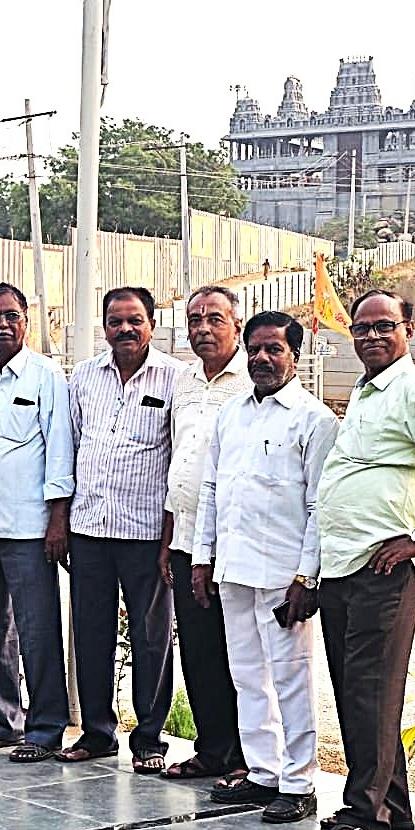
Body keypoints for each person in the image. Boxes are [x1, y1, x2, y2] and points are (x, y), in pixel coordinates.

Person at [309, 289, 415, 830]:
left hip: (383, 570)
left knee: (371, 692)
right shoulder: (364, 392)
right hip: (343, 566)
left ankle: (367, 819)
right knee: (358, 692)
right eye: (362, 328)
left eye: (384, 327)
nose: (372, 337)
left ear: (410, 330)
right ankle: (392, 805)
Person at [192, 311, 339, 824]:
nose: (261, 358)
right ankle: (262, 773)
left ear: (295, 356)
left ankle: (299, 784)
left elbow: (322, 506)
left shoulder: (314, 421)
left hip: (283, 576)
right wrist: (202, 557)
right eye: (254, 349)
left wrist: (307, 576)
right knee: (248, 676)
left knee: (291, 678)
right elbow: (211, 490)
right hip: (233, 570)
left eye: (273, 349)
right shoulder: (231, 415)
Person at [59, 286, 182, 773]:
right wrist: (62, 522)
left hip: (146, 534)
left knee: (152, 638)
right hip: (89, 527)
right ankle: (96, 732)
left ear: (151, 324)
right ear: (104, 326)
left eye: (135, 320)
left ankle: (149, 739)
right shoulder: (85, 376)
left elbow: (180, 460)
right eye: (115, 321)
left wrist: (170, 538)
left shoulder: (176, 379)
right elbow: (69, 449)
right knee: (90, 634)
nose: (125, 329)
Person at [0, 283, 75, 759]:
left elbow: (60, 449)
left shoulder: (47, 376)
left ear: (28, 321)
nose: (1, 324)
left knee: (37, 629)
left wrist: (57, 521)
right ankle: (3, 719)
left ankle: (46, 727)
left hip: (28, 528)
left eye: (10, 315)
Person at [157, 286, 250, 782]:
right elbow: (179, 462)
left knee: (238, 654)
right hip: (183, 539)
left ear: (237, 324)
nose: (203, 328)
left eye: (215, 318)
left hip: (232, 544)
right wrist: (169, 537)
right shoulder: (183, 381)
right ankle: (212, 750)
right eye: (194, 319)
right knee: (197, 651)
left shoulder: (251, 382)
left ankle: (244, 757)